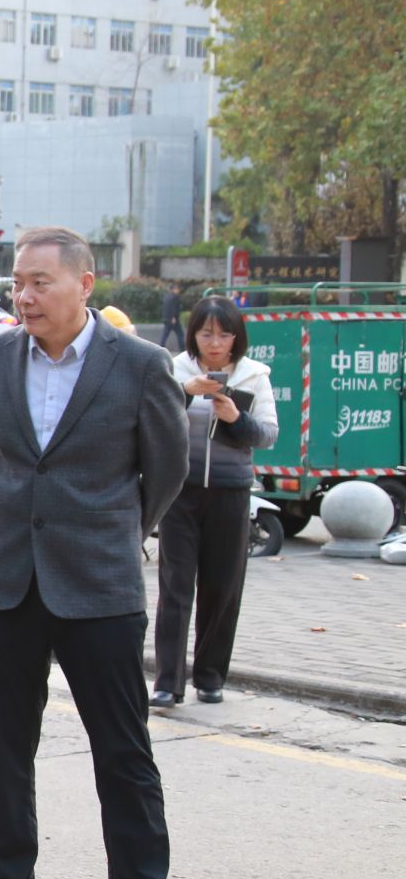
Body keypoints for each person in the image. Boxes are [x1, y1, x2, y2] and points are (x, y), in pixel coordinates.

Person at [0, 225, 188, 879]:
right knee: (4, 747)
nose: (24, 296)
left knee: (123, 752)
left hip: (100, 586)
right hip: (6, 581)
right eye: (17, 283)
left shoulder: (142, 365)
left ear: (85, 284)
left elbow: (167, 470)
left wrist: (116, 530)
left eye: (40, 283)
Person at [154, 297, 278, 707]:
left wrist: (236, 419)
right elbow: (151, 416)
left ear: (236, 338)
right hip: (180, 492)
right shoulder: (173, 369)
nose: (215, 343)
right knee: (175, 586)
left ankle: (210, 677)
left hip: (231, 492)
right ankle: (167, 682)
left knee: (222, 587)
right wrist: (184, 394)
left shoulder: (255, 375)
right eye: (206, 334)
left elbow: (268, 435)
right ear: (193, 334)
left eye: (224, 335)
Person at [160, 287, 184, 352]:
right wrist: (174, 317)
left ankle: (161, 347)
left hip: (166, 319)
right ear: (174, 289)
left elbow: (165, 308)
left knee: (165, 335)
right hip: (173, 320)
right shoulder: (175, 297)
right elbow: (174, 308)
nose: (178, 290)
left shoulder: (166, 297)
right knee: (180, 334)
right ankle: (183, 349)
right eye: (177, 289)